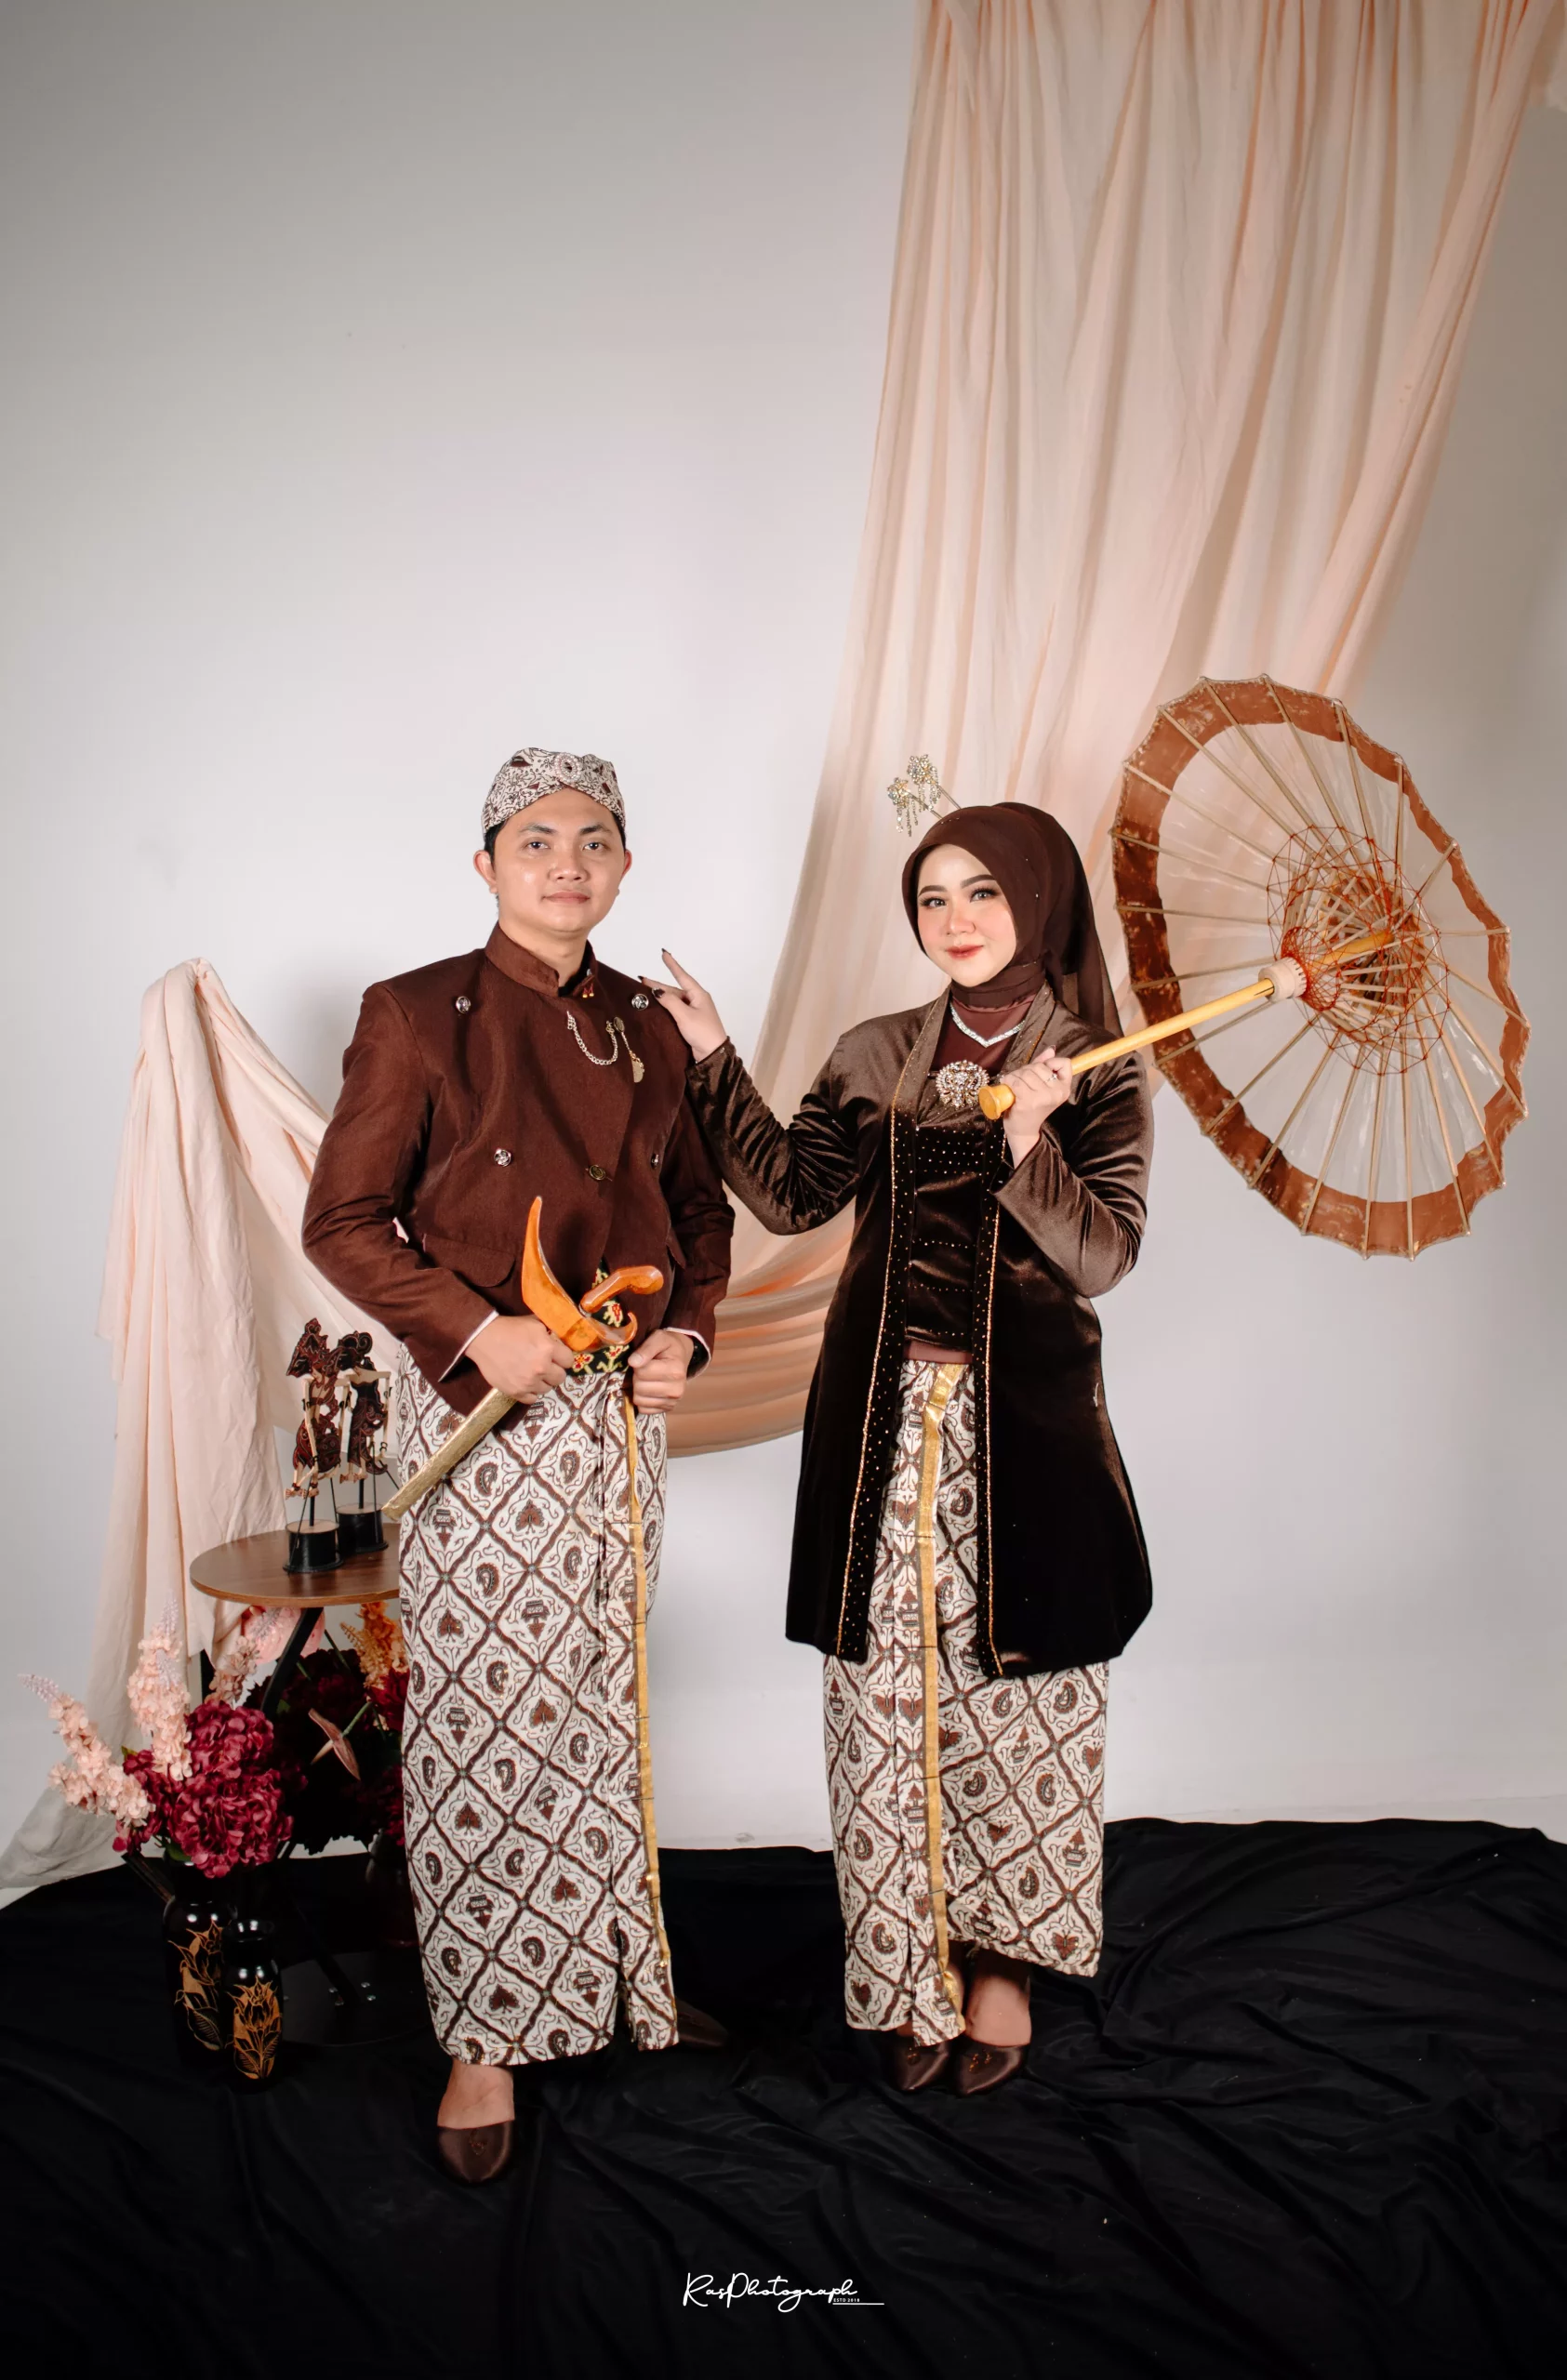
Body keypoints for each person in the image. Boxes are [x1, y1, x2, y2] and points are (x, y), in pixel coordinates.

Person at [647, 802, 1152, 2096]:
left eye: (985, 892)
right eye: (934, 897)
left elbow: (1106, 1254)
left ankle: (1003, 1967)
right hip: (879, 1423)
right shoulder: (876, 1051)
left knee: (1021, 1696)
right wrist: (712, 1057)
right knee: (881, 1697)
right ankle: (902, 1970)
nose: (957, 920)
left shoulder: (1097, 1062)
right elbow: (792, 1194)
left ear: (1038, 900)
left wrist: (1028, 1144)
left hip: (1023, 1433)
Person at [303, 748, 733, 2181]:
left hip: (619, 1424)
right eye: (536, 839)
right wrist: (478, 1329)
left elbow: (698, 1217)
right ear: (485, 865)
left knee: (604, 1706)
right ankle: (484, 2036)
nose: (567, 862)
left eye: (594, 839)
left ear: (625, 866)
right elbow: (342, 1221)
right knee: (486, 1719)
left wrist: (688, 1336)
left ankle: (616, 1987)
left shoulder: (651, 1024)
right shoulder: (417, 1012)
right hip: (480, 1419)